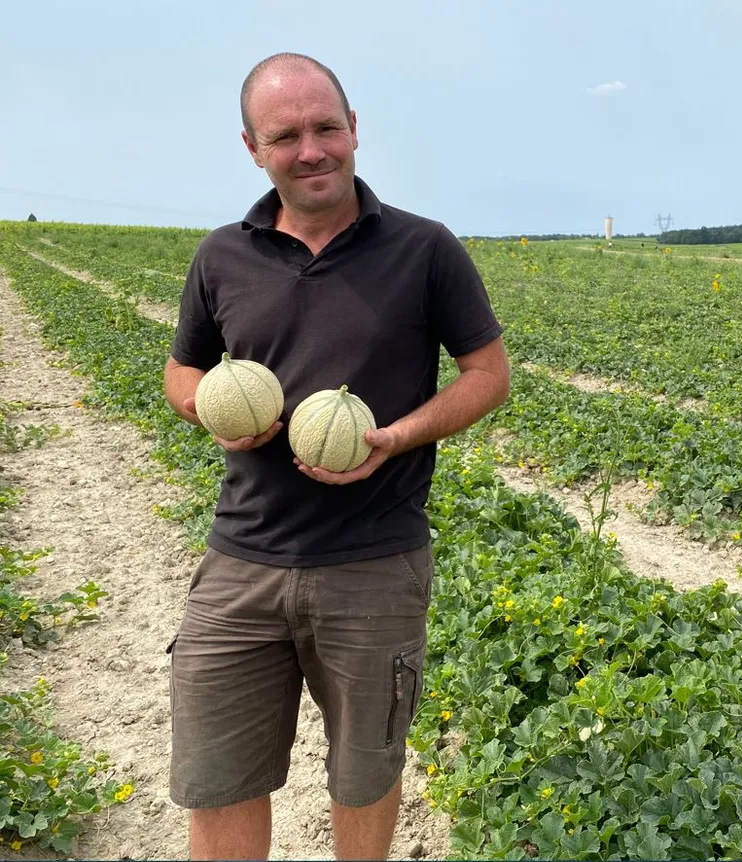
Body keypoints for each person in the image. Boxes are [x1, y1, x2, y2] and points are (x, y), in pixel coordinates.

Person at [162, 51, 510, 860]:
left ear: (355, 130)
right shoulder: (222, 256)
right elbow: (183, 368)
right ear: (253, 148)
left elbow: (487, 375)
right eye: (286, 135)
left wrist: (394, 438)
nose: (311, 149)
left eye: (326, 128)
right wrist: (204, 408)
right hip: (239, 563)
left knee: (365, 773)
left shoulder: (425, 249)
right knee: (219, 777)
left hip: (375, 562)